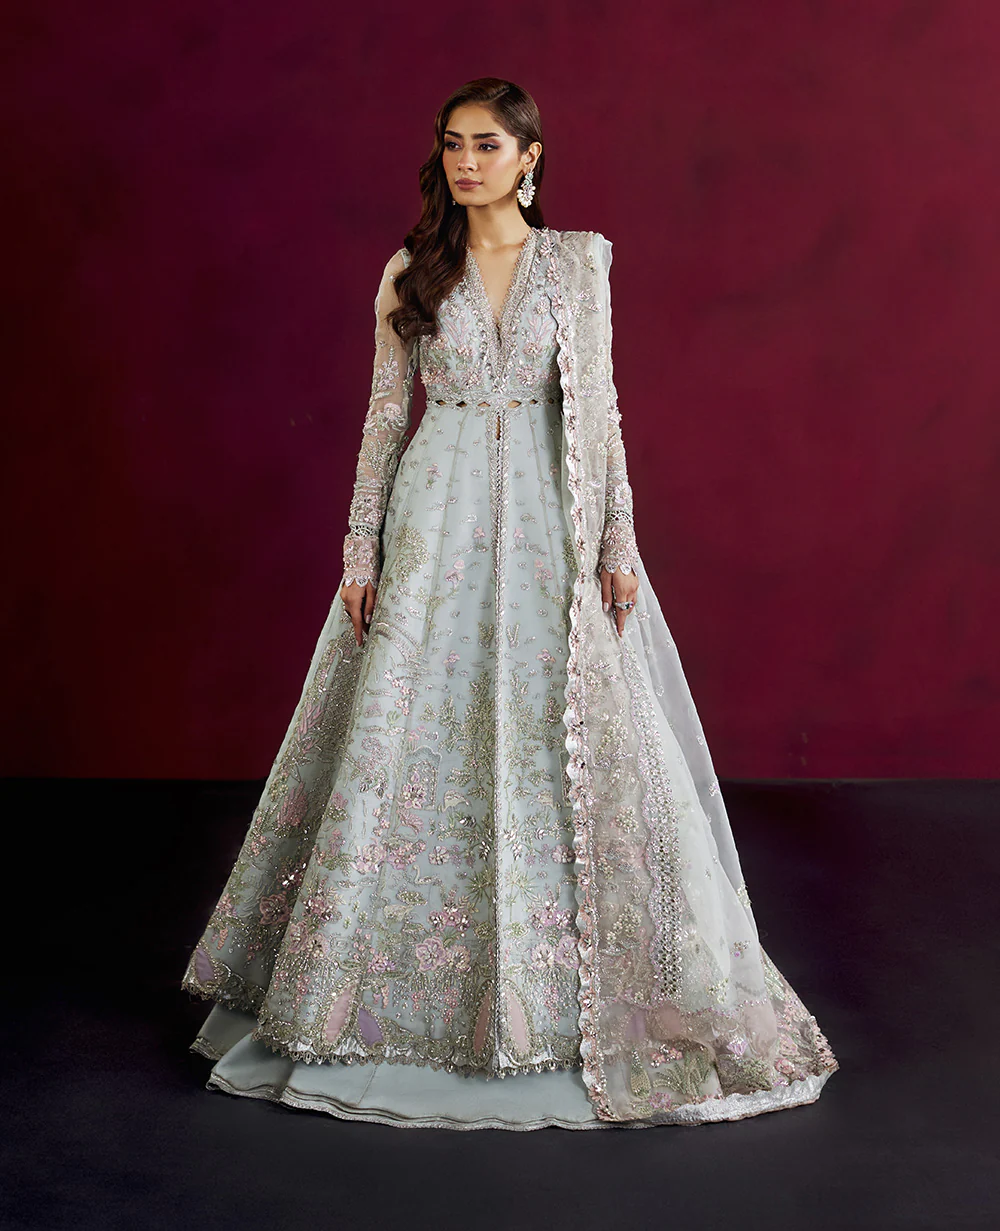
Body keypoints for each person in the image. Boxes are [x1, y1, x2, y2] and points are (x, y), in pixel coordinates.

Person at [182, 77, 838, 1130]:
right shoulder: (413, 270)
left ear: (530, 157)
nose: (466, 161)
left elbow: (601, 411)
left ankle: (562, 999)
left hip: (545, 520)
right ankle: (371, 994)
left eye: (487, 145)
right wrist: (359, 549)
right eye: (453, 144)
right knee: (412, 729)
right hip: (434, 515)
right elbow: (382, 418)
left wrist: (619, 541)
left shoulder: (577, 265)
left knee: (551, 729)